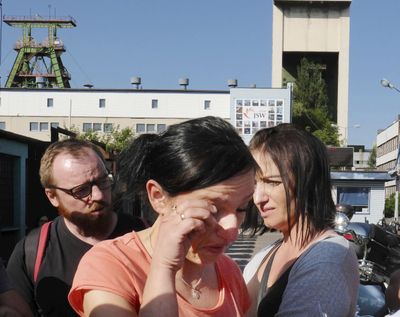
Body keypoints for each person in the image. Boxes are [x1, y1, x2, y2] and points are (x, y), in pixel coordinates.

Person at [68, 116, 256, 317]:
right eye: (214, 208)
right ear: (158, 197)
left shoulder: (229, 271)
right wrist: (163, 268)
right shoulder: (110, 265)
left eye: (242, 208)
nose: (232, 228)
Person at [7, 139, 142, 317]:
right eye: (81, 190)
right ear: (52, 196)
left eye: (103, 181)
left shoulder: (145, 236)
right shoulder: (32, 252)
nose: (98, 195)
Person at [243, 124, 359, 317]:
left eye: (272, 182)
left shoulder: (328, 259)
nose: (258, 198)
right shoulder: (265, 254)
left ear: (308, 182)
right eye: (255, 184)